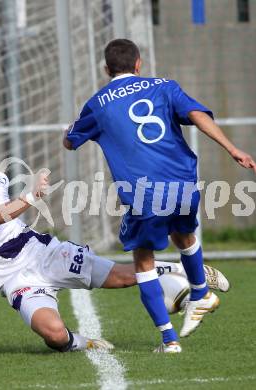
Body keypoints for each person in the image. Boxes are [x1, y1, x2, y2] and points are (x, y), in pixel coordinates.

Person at [0, 129, 229, 353]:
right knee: (53, 335)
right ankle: (82, 342)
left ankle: (187, 270)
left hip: (43, 254)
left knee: (121, 278)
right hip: (14, 278)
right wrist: (30, 197)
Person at [63, 39, 255, 353]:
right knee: (184, 235)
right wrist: (232, 149)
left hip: (145, 191)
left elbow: (70, 143)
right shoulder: (164, 86)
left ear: (106, 69)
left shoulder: (98, 104)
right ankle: (201, 292)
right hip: (182, 180)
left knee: (143, 261)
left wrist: (72, 129)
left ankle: (169, 340)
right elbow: (196, 114)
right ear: (138, 64)